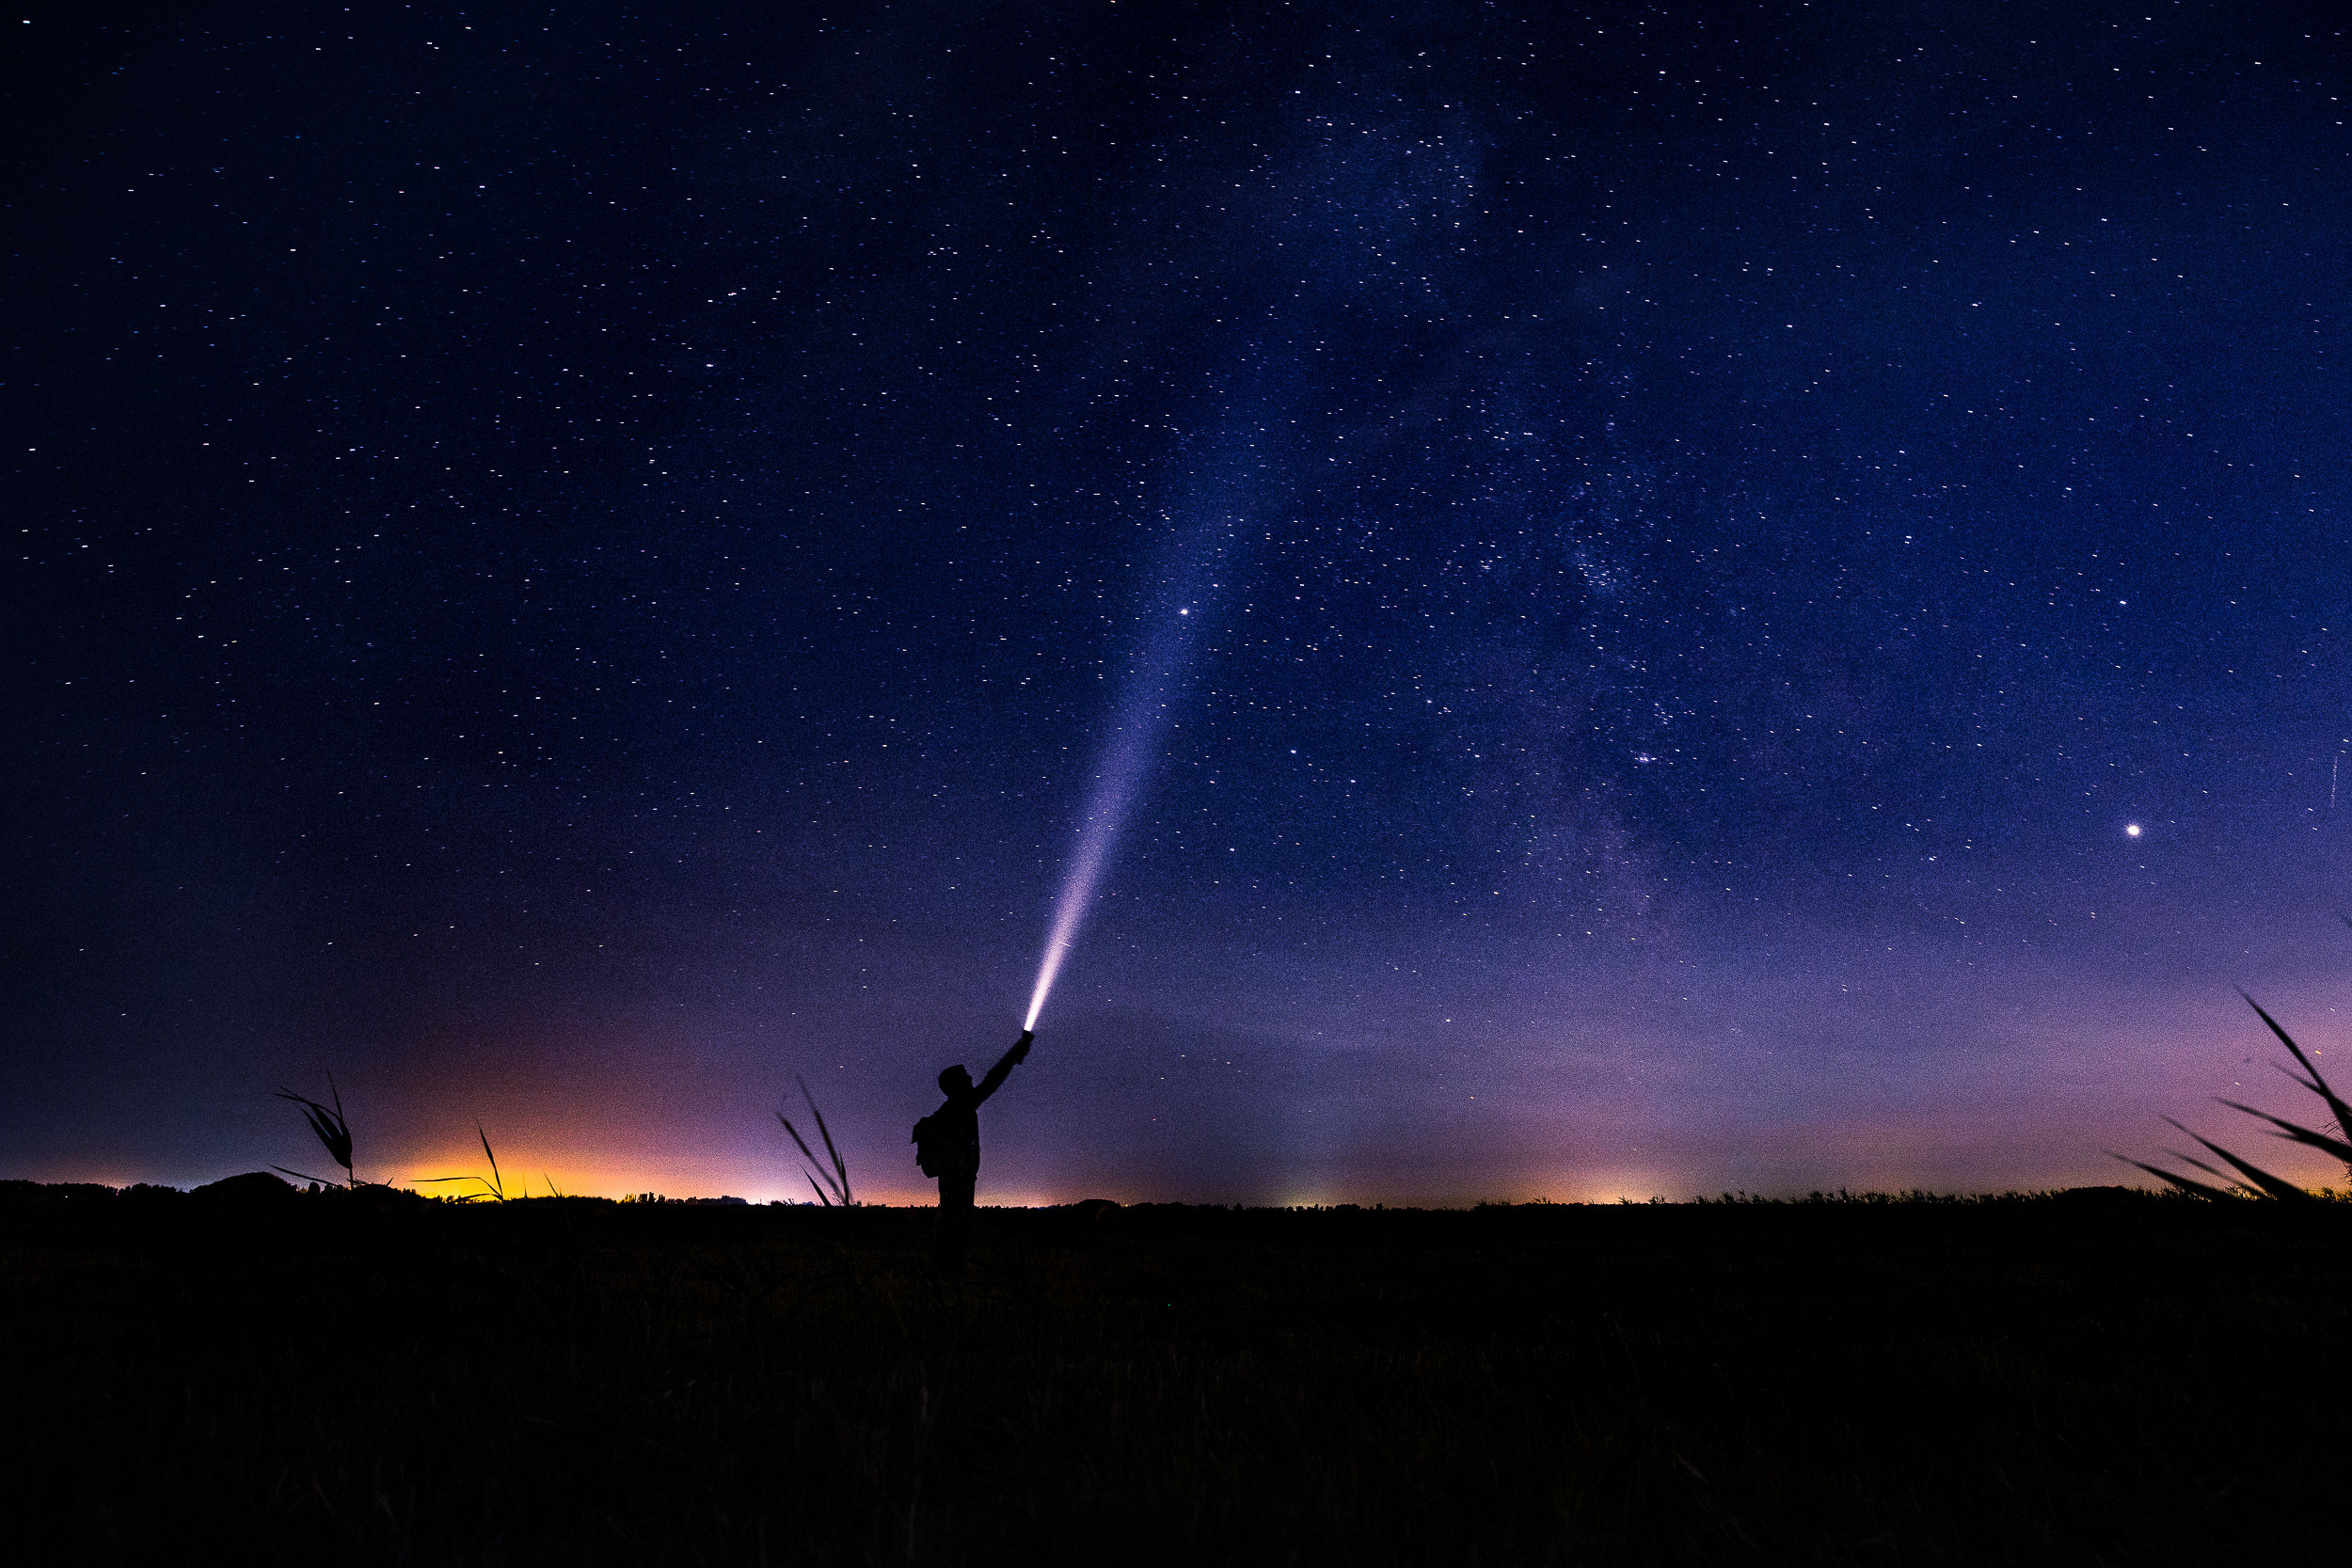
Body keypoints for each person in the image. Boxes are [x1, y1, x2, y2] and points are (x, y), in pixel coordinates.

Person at [913, 1028, 1032, 1274]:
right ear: (955, 1086)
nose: (970, 1079)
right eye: (965, 1077)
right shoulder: (959, 1108)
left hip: (956, 1179)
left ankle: (945, 1273)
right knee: (955, 1227)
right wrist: (1018, 1049)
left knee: (952, 1226)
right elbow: (994, 1078)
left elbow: (991, 1079)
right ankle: (948, 1274)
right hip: (958, 1180)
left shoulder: (950, 1111)